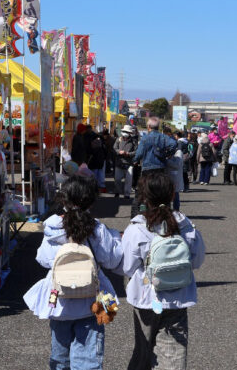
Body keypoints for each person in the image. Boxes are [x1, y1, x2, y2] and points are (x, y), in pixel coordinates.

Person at [23, 175, 123, 370]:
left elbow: (43, 259)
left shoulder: (53, 228)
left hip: (59, 302)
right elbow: (111, 259)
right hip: (91, 302)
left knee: (60, 358)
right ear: (90, 201)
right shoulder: (97, 228)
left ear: (64, 200)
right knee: (88, 360)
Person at [122, 173, 205, 370]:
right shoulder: (185, 225)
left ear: (143, 197)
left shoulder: (137, 228)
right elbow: (197, 260)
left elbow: (128, 267)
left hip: (146, 298)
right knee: (173, 353)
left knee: (143, 349)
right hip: (178, 296)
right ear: (172, 194)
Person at [114, 125, 137, 199]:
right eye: (124, 131)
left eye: (127, 132)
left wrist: (128, 154)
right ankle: (117, 192)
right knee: (117, 179)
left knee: (128, 180)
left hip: (129, 162)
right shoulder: (118, 139)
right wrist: (118, 152)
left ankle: (127, 194)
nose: (125, 133)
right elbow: (114, 148)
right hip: (119, 162)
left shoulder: (133, 141)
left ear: (130, 133)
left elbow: (136, 151)